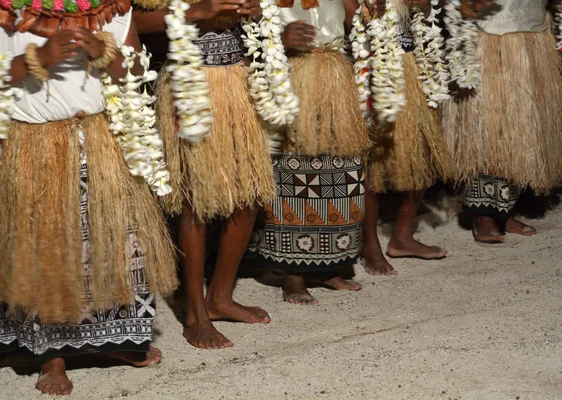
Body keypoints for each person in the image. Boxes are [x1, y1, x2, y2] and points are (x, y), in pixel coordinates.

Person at [0, 0, 178, 394]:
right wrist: (36, 58)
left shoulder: (110, 9)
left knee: (116, 243)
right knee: (45, 248)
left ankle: (115, 340)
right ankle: (52, 357)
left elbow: (135, 71)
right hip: (31, 145)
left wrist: (103, 52)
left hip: (98, 140)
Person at [133, 0, 274, 350]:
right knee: (195, 202)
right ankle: (196, 314)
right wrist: (195, 12)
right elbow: (133, 21)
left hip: (237, 82)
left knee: (249, 195)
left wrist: (256, 8)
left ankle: (221, 297)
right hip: (190, 86)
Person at [251, 0, 372, 305]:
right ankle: (292, 274)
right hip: (287, 77)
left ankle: (327, 266)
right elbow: (243, 33)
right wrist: (278, 39)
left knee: (339, 172)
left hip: (334, 77)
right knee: (292, 173)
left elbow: (357, 21)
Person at [442, 0, 562, 243]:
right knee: (489, 127)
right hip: (490, 37)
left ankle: (504, 210)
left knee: (523, 127)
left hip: (533, 34)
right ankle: (483, 214)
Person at [361, 0, 453, 276]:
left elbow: (432, 11)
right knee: (372, 164)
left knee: (421, 150)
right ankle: (369, 245)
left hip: (411, 64)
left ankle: (402, 236)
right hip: (369, 65)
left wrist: (424, 6)